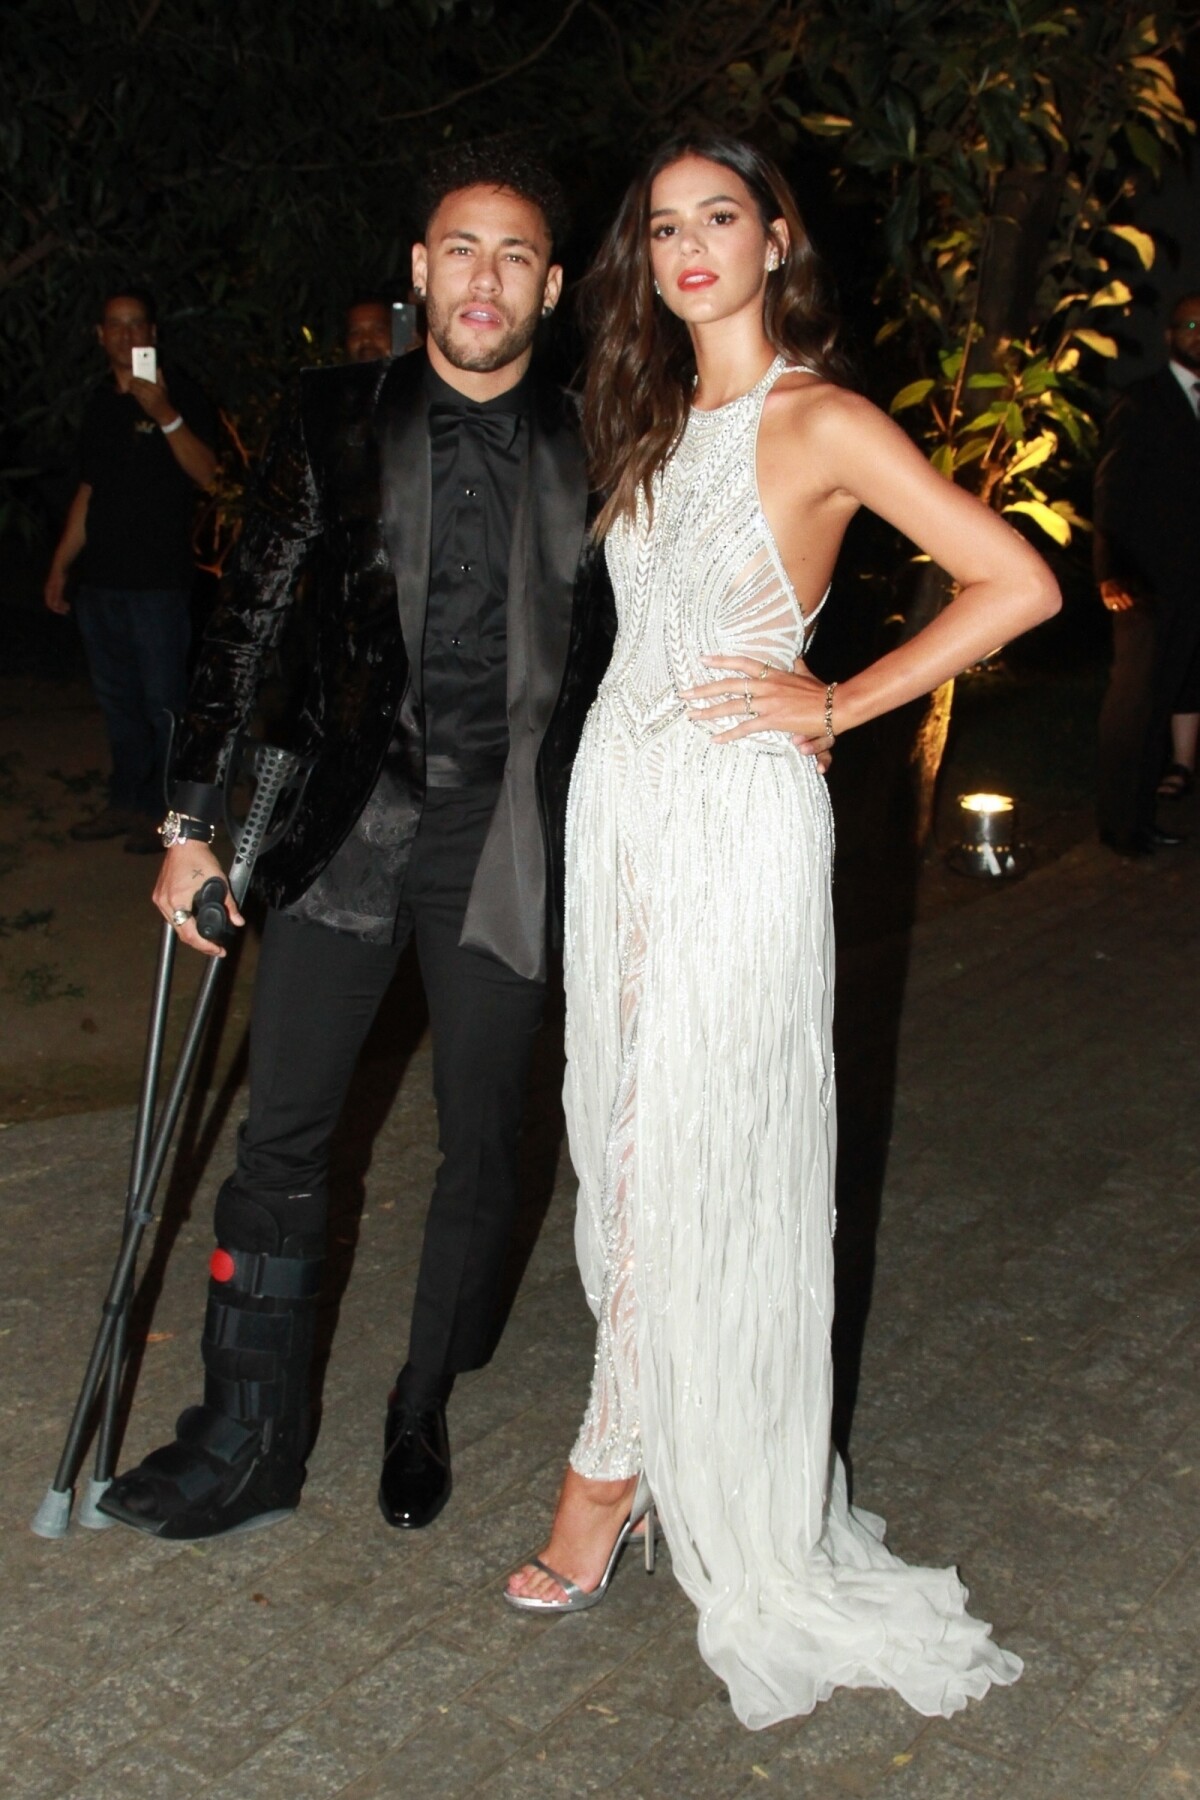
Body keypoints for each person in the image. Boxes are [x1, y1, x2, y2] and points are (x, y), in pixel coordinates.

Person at [504, 133, 1060, 1730]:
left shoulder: (819, 415)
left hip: (738, 822)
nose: (688, 248)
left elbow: (1012, 581)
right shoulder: (649, 413)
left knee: (685, 1151)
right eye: (663, 226)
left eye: (718, 219)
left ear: (775, 239)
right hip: (619, 814)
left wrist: (837, 701)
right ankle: (668, 1435)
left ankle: (606, 1475)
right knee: (617, 1149)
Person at [98, 145, 614, 1542]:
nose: (484, 278)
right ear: (418, 270)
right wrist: (188, 821)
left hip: (508, 841)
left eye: (514, 255)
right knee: (280, 1142)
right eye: (461, 249)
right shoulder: (330, 417)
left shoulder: (606, 436)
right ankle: (247, 1439)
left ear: (552, 287)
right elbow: (252, 623)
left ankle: (422, 1397)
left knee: (485, 1144)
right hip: (354, 830)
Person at [44, 287, 218, 853]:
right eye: (114, 325)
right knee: (119, 704)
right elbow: (88, 494)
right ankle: (126, 802)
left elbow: (211, 476)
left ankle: (169, 818)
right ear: (100, 335)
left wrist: (165, 415)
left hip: (158, 586)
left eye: (136, 323)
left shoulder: (181, 393)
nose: (126, 334)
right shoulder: (100, 405)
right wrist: (60, 567)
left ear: (152, 332)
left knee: (165, 705)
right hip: (102, 586)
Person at [1094, 291, 1200, 854]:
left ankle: (1143, 818)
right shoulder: (1143, 400)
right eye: (1189, 324)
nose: (1198, 333)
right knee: (1134, 706)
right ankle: (1119, 825)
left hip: (1191, 582)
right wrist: (1110, 571)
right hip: (1142, 584)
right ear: (1170, 335)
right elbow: (1111, 491)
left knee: (1163, 702)